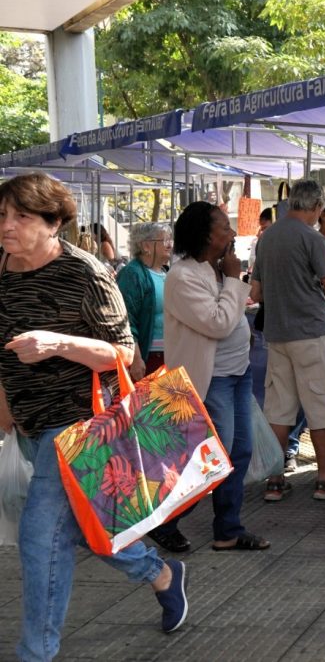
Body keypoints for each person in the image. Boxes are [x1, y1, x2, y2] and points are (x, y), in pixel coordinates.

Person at [0, 174, 188, 659]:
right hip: (29, 422)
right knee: (87, 528)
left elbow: (125, 354)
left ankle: (34, 653)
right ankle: (160, 573)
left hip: (81, 423)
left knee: (40, 536)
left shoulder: (84, 272)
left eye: (21, 216)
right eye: (3, 215)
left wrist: (59, 343)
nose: (7, 225)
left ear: (54, 223)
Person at [162, 201, 269, 552]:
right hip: (212, 378)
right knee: (210, 459)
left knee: (238, 452)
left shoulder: (216, 270)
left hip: (236, 374)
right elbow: (218, 323)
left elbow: (231, 312)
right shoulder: (183, 276)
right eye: (226, 227)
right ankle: (165, 521)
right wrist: (236, 280)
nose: (233, 232)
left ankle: (228, 529)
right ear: (208, 235)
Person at [250, 179, 325, 502]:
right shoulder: (311, 239)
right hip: (310, 333)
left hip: (277, 333)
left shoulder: (267, 238)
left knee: (279, 408)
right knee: (320, 404)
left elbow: (254, 293)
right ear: (315, 207)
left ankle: (275, 479)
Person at [116, 222, 172, 382]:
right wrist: (136, 358)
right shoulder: (132, 274)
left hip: (168, 357)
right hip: (149, 358)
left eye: (170, 240)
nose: (170, 244)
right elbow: (125, 320)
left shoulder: (165, 272)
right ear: (146, 245)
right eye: (164, 240)